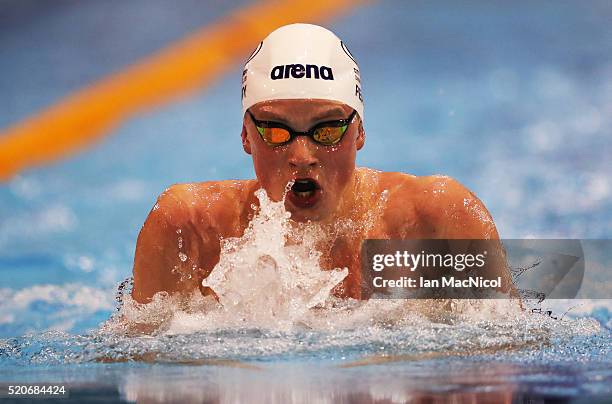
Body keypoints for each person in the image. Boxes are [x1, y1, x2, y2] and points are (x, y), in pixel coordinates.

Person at [131, 23, 512, 305]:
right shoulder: (191, 231)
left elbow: (509, 356)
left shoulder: (435, 222)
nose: (302, 156)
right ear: (246, 136)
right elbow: (138, 366)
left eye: (327, 130)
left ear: (359, 131)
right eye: (276, 132)